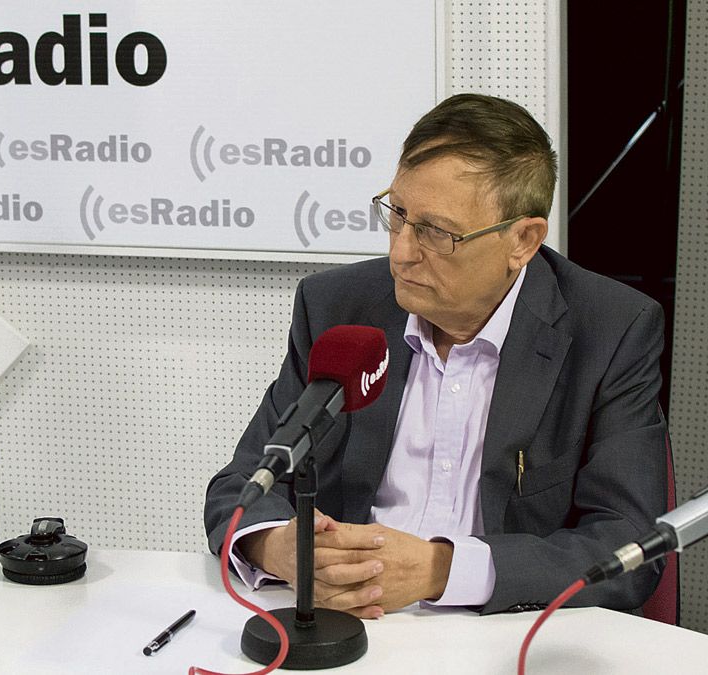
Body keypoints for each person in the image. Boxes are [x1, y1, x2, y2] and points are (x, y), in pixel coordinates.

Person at [204, 93, 667, 617]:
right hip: (350, 629)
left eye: (435, 232)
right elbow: (243, 483)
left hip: (502, 635)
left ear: (522, 240)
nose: (400, 252)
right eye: (397, 214)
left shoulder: (609, 330)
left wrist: (441, 570)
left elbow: (630, 546)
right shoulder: (337, 307)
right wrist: (280, 548)